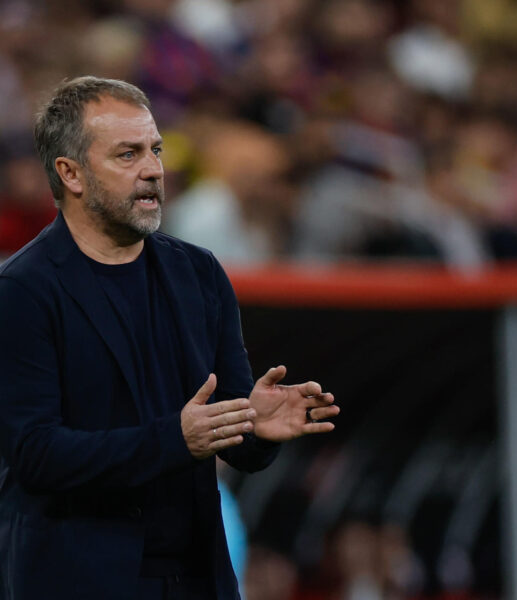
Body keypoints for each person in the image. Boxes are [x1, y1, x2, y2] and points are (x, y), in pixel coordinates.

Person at [0, 76, 339, 600]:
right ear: (71, 173)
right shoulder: (23, 290)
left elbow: (222, 422)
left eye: (155, 150)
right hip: (76, 580)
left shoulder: (199, 274)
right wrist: (173, 439)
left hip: (195, 577)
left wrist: (254, 428)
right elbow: (36, 453)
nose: (154, 169)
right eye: (128, 154)